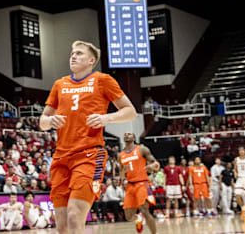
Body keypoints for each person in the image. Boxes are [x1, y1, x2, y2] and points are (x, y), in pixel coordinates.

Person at [39, 41, 137, 234]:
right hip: (60, 158)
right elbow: (42, 121)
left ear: (91, 60)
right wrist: (49, 122)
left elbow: (130, 111)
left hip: (89, 155)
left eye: (79, 53)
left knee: (75, 215)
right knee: (62, 224)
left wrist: (106, 117)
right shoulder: (60, 84)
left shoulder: (103, 80)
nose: (73, 56)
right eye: (72, 53)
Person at [119, 132, 159, 234]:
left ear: (134, 137)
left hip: (142, 183)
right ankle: (138, 217)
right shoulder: (120, 155)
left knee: (144, 210)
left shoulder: (142, 149)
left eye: (129, 134)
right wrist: (123, 175)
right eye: (125, 134)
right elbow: (121, 173)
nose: (127, 135)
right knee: (128, 217)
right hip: (129, 185)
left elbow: (156, 163)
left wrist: (152, 167)